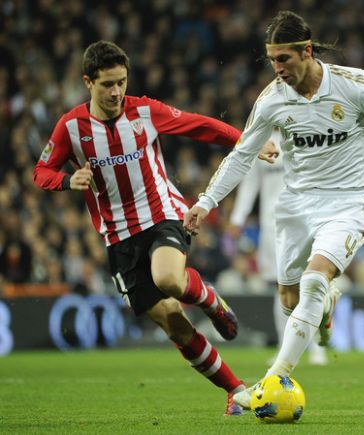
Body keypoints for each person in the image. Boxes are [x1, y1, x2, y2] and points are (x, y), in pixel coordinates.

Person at [184, 11, 364, 408]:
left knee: (313, 280)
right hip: (295, 205)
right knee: (290, 301)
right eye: (272, 60)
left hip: (348, 201)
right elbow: (242, 155)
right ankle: (326, 306)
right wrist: (206, 202)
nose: (277, 69)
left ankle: (274, 378)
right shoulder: (272, 100)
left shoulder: (355, 84)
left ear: (307, 51)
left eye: (284, 59)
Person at [32, 40, 265, 416]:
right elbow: (41, 171)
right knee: (174, 325)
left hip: (161, 215)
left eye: (121, 82)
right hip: (118, 237)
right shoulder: (70, 127)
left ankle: (210, 301)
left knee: (169, 278)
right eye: (107, 84)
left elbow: (199, 126)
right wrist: (66, 180)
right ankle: (235, 390)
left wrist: (246, 141)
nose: (116, 92)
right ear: (88, 82)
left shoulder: (144, 111)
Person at [228, 128, 328, 366]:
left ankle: (316, 346)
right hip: (271, 224)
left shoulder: (305, 132)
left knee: (309, 282)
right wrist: (237, 218)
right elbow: (250, 182)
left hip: (303, 220)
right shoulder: (260, 139)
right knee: (279, 285)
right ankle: (285, 348)